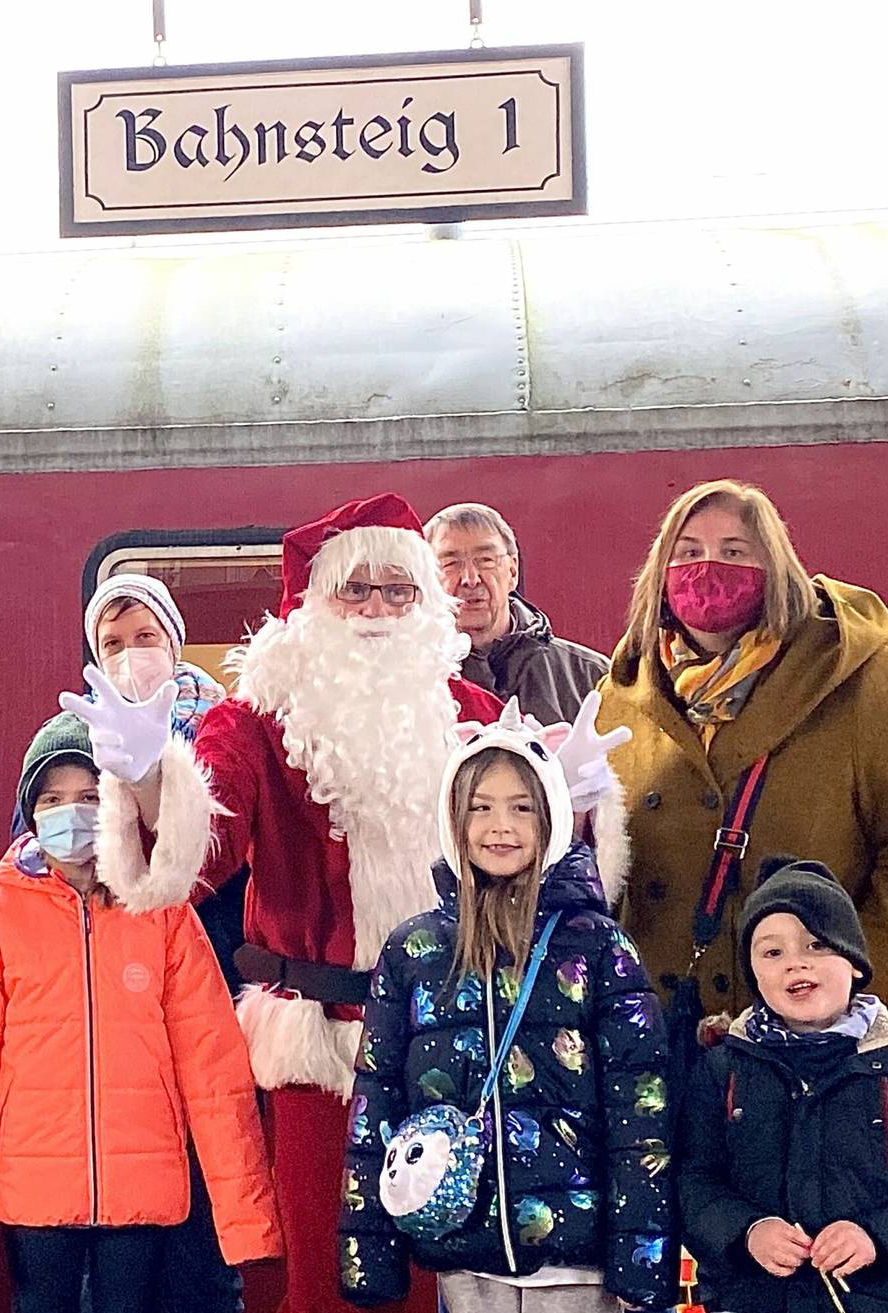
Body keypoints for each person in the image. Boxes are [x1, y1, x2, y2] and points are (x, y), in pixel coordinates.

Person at [67, 494, 587, 1313]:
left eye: (398, 591)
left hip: (453, 1037)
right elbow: (195, 865)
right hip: (318, 1048)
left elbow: (528, 875)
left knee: (444, 1273)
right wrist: (142, 778)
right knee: (324, 1272)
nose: (378, 609)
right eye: (357, 590)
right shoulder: (254, 724)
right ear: (313, 603)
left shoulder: (473, 715)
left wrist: (574, 807)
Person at [596, 480, 888, 1087]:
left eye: (734, 551)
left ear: (776, 568)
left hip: (849, 1048)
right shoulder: (619, 700)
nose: (708, 569)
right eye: (689, 551)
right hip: (681, 1052)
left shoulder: (869, 681)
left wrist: (834, 988)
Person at [0, 712, 281, 1313]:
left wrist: (244, 1220)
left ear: (117, 804)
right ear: (30, 816)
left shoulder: (161, 911)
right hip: (31, 1192)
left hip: (142, 1189)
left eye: (90, 796)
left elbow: (215, 1075)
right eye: (53, 799)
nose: (72, 812)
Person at [340, 710, 674, 1313]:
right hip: (462, 1257)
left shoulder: (598, 946)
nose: (501, 826)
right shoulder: (413, 950)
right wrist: (370, 1252)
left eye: (522, 807)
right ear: (453, 817)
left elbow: (640, 1112)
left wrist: (642, 1263)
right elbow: (376, 1102)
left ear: (551, 817)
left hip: (575, 1263)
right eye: (482, 806)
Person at [50, 571, 248, 1313]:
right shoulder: (72, 741)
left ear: (174, 641)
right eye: (112, 642)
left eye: (146, 637)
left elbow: (238, 862)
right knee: (124, 1254)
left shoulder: (230, 733)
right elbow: (39, 863)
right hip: (113, 1027)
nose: (132, 654)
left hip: (212, 1003)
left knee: (203, 1233)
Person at [677, 858, 888, 1312]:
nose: (796, 963)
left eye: (817, 944)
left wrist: (877, 1239)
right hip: (750, 1300)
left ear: (855, 963)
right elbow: (692, 1181)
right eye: (771, 952)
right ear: (753, 973)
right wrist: (747, 1231)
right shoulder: (721, 1070)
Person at [426, 502, 610, 726]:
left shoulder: (589, 677)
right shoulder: (412, 683)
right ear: (427, 579)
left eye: (486, 560)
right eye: (450, 563)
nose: (470, 579)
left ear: (513, 571)